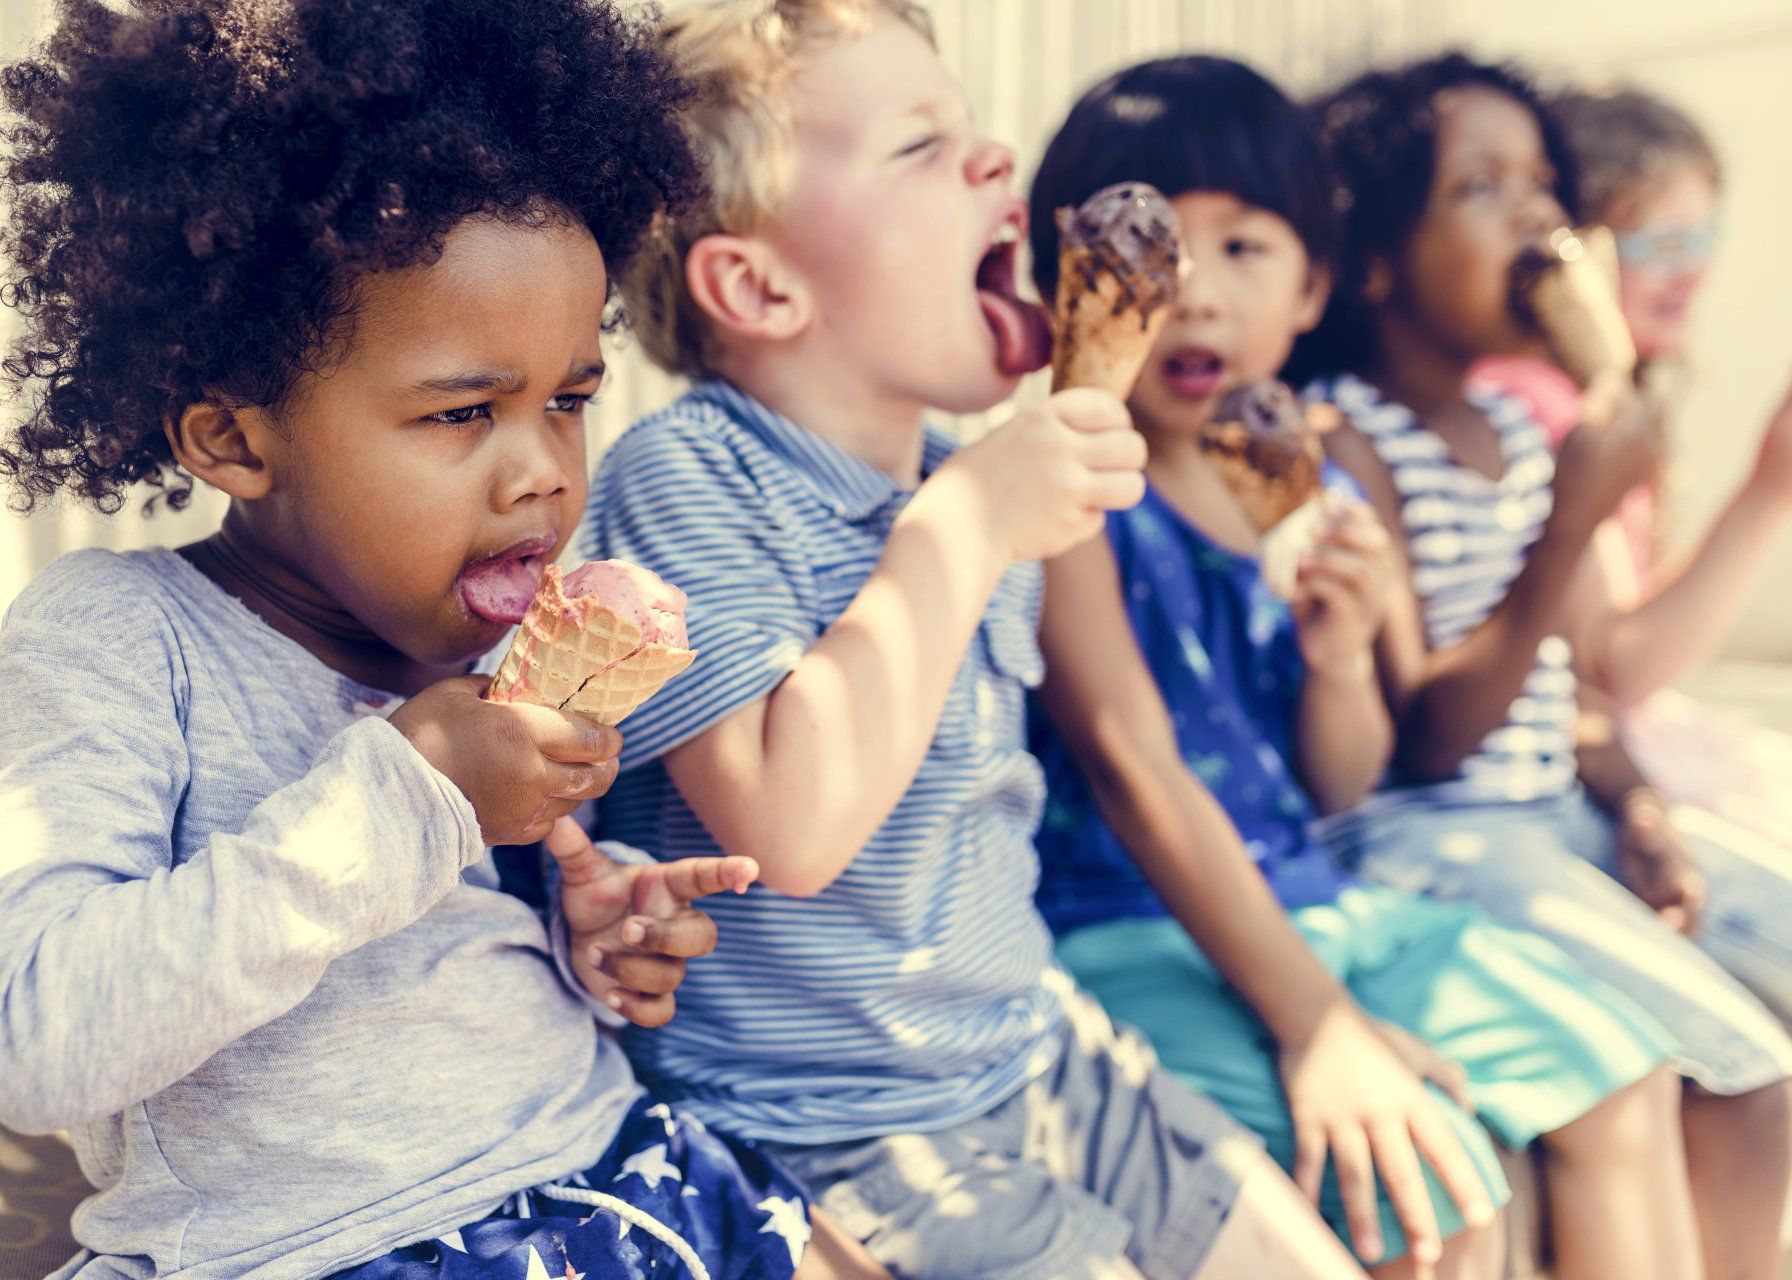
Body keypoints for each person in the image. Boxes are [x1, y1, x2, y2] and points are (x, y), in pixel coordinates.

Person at [0, 3, 884, 1278]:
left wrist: (580, 932)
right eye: (461, 412)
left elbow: (426, 968)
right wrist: (410, 793)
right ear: (232, 436)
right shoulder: (116, 638)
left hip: (618, 1173)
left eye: (566, 400)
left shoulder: (469, 644)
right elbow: (34, 1032)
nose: (543, 474)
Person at [581, 3, 1379, 1278]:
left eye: (972, 127)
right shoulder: (686, 477)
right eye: (918, 145)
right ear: (759, 284)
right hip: (835, 1131)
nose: (998, 158)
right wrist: (963, 528)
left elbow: (1128, 743)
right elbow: (784, 829)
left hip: (1046, 1052)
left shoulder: (974, 477)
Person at [1026, 54, 1694, 1280]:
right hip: (1128, 926)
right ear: (1075, 284)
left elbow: (1343, 781)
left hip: (1320, 897)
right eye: (1153, 251)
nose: (1196, 295)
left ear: (1313, 286)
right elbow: (1134, 772)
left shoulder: (1306, 488)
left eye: (1245, 250)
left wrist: (1338, 662)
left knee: (1629, 1078)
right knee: (1420, 1191)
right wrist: (1320, 1025)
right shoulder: (1067, 481)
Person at [1297, 52, 1792, 1280]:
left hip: (1551, 810)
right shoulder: (1348, 438)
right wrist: (1573, 518)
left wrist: (1636, 803)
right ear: (1372, 258)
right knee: (1743, 1073)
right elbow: (1427, 739)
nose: (1535, 217)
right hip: (1430, 835)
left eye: (1543, 186)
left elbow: (1574, 686)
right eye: (1481, 186)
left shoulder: (1524, 427)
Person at [1486, 85, 1792, 854]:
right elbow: (1618, 669)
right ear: (1572, 252)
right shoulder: (1538, 405)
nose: (1690, 273)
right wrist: (1770, 489)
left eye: (1702, 240)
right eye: (1657, 247)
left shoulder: (1603, 392)